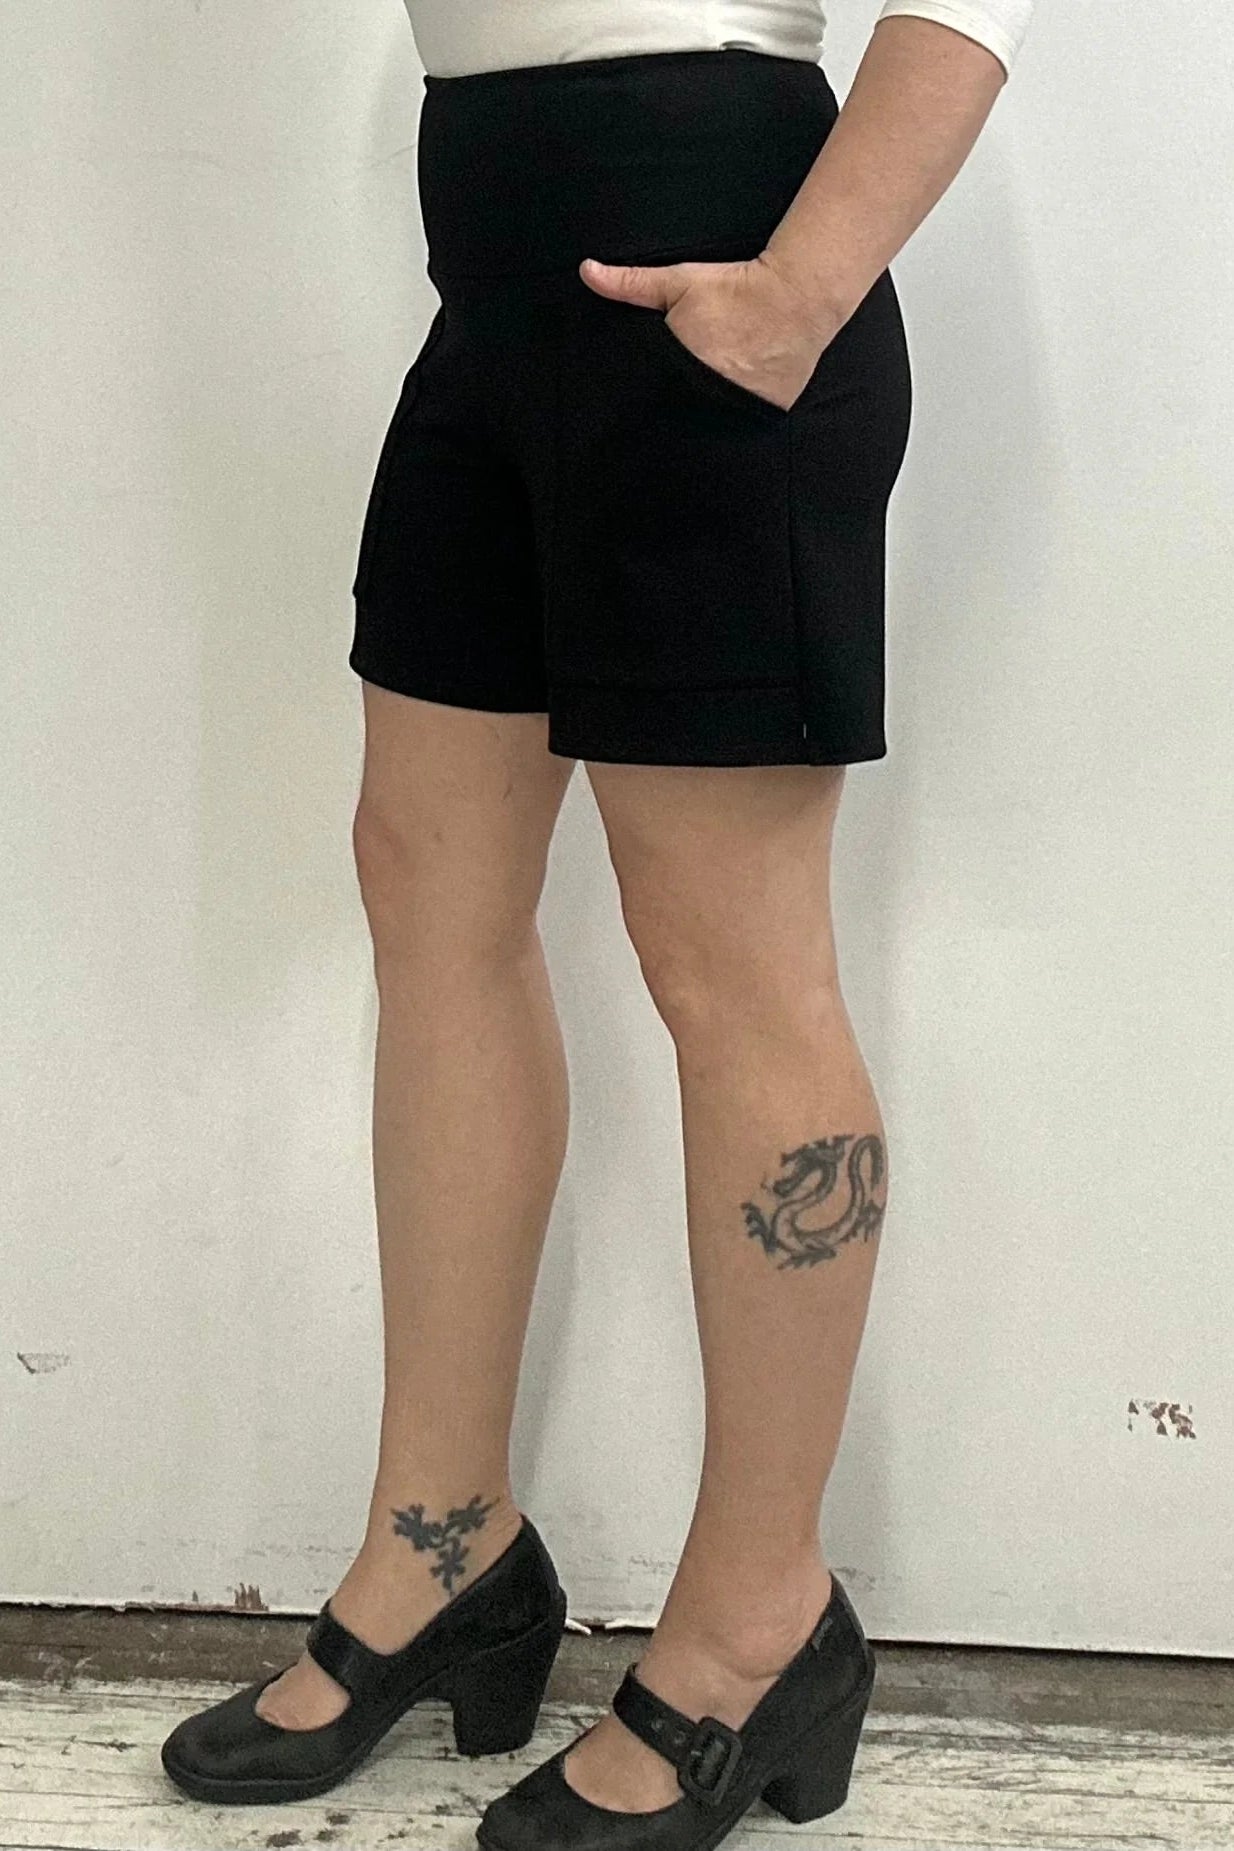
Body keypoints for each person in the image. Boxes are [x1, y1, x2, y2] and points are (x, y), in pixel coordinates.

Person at [161, 3, 1035, 1845]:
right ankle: (445, 1546)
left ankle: (757, 1623)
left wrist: (803, 286)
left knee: (726, 962)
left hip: (712, 258)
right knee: (427, 886)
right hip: (490, 280)